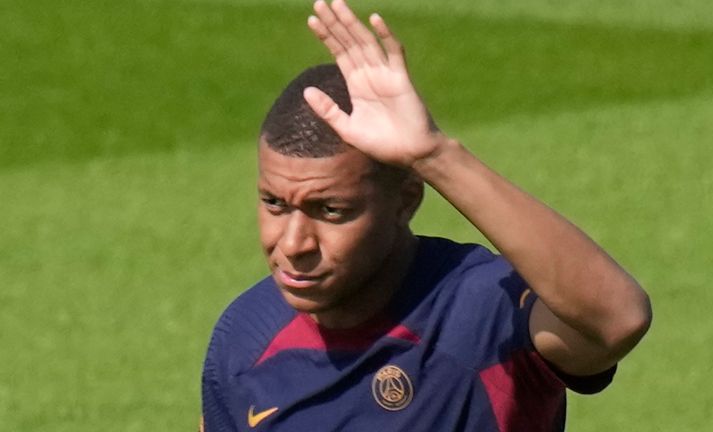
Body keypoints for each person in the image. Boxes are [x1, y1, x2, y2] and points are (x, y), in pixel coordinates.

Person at [201, 0, 652, 430]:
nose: (294, 243)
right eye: (274, 204)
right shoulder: (245, 337)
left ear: (406, 201)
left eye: (331, 210)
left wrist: (432, 154)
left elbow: (617, 320)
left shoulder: (482, 309)